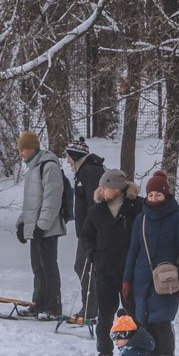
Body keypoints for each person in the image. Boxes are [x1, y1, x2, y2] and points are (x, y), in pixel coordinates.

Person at [123, 170, 179, 356]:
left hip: (166, 280)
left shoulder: (178, 220)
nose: (153, 198)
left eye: (158, 194)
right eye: (150, 194)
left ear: (166, 195)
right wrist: (127, 279)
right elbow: (133, 250)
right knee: (146, 324)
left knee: (162, 322)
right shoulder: (141, 219)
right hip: (141, 279)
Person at [79, 169, 141, 356]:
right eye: (102, 187)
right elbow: (86, 236)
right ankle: (105, 354)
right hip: (104, 270)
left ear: (117, 188)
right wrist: (93, 254)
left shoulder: (136, 206)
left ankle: (135, 352)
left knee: (133, 314)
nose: (102, 191)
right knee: (105, 315)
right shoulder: (97, 210)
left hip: (129, 271)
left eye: (106, 187)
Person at [15, 131, 66, 320]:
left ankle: (53, 306)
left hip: (47, 228)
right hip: (35, 227)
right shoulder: (33, 169)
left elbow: (52, 199)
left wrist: (42, 225)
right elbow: (31, 202)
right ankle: (38, 304)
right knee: (37, 267)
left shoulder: (49, 166)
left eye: (22, 150)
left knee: (48, 267)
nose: (20, 154)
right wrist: (22, 223)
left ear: (31, 149)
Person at [65, 137, 106, 319]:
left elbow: (94, 204)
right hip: (85, 231)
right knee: (82, 267)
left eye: (69, 157)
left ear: (75, 157)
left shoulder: (90, 172)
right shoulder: (83, 172)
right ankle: (91, 307)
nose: (67, 161)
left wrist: (91, 230)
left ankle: (90, 308)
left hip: (91, 232)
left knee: (84, 267)